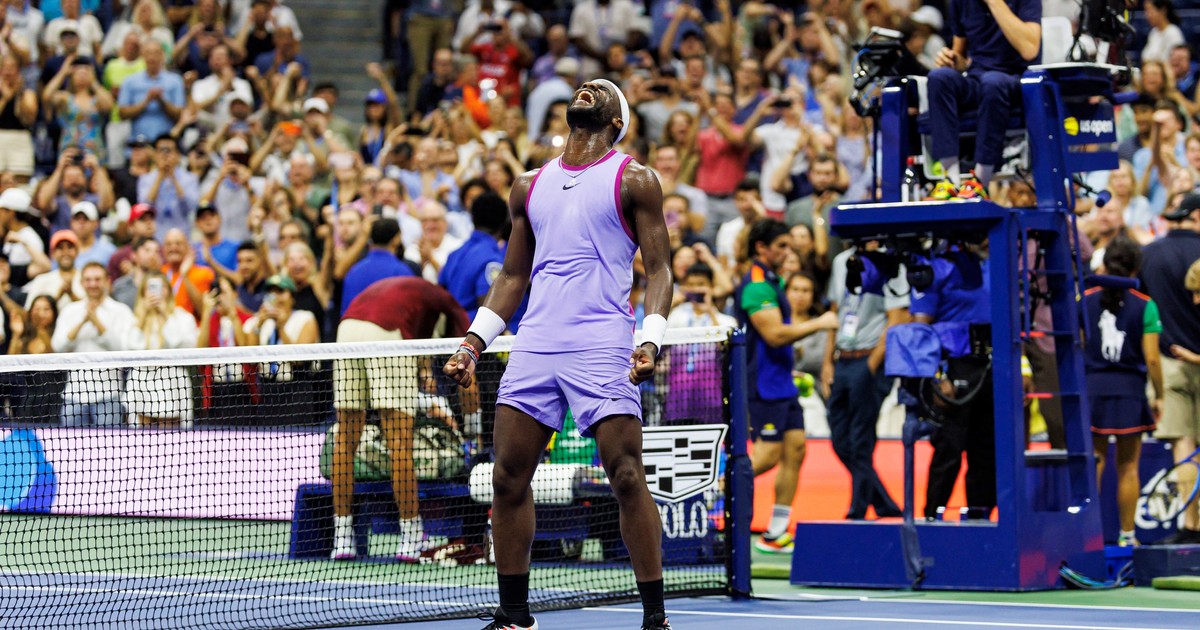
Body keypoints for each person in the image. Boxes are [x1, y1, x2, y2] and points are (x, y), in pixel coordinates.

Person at [443, 78, 674, 630]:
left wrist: (650, 339)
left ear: (617, 121)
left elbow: (660, 270)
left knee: (625, 474)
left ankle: (655, 618)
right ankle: (514, 615)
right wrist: (474, 342)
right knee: (506, 477)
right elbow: (512, 276)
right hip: (535, 342)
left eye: (602, 88)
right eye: (585, 85)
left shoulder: (635, 179)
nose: (588, 87)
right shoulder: (528, 185)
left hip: (602, 340)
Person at [330, 276, 472, 561]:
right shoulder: (451, 308)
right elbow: (468, 374)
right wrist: (474, 426)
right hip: (386, 333)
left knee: (344, 440)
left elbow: (421, 359)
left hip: (347, 328)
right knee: (399, 442)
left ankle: (342, 540)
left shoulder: (414, 297)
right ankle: (411, 538)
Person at [736, 219, 839, 552]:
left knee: (796, 449)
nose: (788, 251)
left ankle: (775, 533)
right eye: (781, 245)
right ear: (761, 248)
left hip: (783, 382)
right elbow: (774, 334)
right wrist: (821, 323)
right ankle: (715, 493)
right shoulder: (756, 286)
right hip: (762, 384)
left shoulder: (774, 281)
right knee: (766, 457)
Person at [1084, 239, 1164, 547]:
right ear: (1134, 270)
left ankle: (1088, 538)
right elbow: (1152, 359)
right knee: (1128, 466)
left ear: (1105, 265)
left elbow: (1077, 346)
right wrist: (1159, 395)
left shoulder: (1083, 300)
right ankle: (1128, 537)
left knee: (1095, 462)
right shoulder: (1146, 305)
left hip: (1092, 389)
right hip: (1130, 390)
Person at [911, 244, 997, 520]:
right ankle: (931, 518)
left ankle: (980, 519)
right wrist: (937, 375)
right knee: (949, 450)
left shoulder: (993, 264)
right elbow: (920, 328)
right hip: (953, 367)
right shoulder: (936, 267)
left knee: (986, 452)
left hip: (990, 365)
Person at [823, 244, 908, 520]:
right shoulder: (841, 261)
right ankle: (885, 505)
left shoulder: (891, 264)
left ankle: (857, 511)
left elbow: (897, 318)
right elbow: (835, 310)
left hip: (871, 357)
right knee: (839, 439)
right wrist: (828, 361)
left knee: (861, 440)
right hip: (843, 357)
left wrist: (871, 365)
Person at [924, 0, 1041, 199]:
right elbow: (960, 56)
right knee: (939, 77)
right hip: (976, 77)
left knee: (993, 82)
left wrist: (994, 3)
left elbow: (1030, 49)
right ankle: (949, 178)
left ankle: (980, 180)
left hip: (1016, 78)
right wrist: (952, 60)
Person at [1140, 193, 1200, 544]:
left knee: (1184, 444)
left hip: (1170, 362)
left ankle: (1192, 526)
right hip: (1184, 360)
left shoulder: (1151, 254)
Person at [51, 262, 135, 426]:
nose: (93, 284)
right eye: (88, 280)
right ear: (82, 283)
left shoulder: (121, 311)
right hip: (74, 394)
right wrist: (83, 321)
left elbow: (124, 349)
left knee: (110, 443)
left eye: (97, 279)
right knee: (69, 443)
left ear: (107, 281)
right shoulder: (70, 311)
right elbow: (57, 347)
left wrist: (97, 322)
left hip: (110, 394)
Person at [124, 270, 199, 427]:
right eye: (150, 287)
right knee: (140, 431)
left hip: (172, 381)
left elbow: (185, 347)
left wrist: (166, 316)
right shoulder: (132, 319)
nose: (156, 292)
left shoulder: (183, 317)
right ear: (143, 292)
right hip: (141, 380)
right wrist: (142, 319)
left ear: (169, 291)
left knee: (171, 430)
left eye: (161, 287)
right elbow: (128, 348)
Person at [243, 273, 319, 425]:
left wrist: (281, 327)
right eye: (271, 292)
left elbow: (299, 361)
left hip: (297, 391)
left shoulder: (305, 318)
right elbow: (249, 358)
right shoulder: (257, 321)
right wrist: (259, 325)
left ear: (292, 297)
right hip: (267, 391)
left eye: (281, 292)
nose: (276, 297)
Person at [440, 191, 506, 320]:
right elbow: (489, 313)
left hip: (453, 328)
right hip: (475, 329)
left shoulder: (455, 254)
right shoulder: (492, 260)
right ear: (504, 223)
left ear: (472, 218)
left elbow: (440, 293)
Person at [340, 217, 412, 316]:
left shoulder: (354, 271)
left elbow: (345, 311)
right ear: (396, 239)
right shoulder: (402, 272)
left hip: (353, 324)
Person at [117, 38, 184, 143]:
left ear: (162, 55)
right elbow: (122, 114)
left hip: (167, 141)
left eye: (156, 53)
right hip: (138, 142)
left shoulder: (175, 80)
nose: (152, 58)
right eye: (148, 53)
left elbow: (179, 114)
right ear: (142, 56)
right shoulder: (130, 81)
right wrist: (146, 101)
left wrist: (161, 100)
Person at [23, 230, 83, 312]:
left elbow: (94, 309)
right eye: (60, 248)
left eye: (70, 247)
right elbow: (30, 313)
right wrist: (56, 297)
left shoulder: (89, 279)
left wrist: (71, 294)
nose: (65, 252)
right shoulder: (41, 280)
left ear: (77, 252)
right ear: (53, 253)